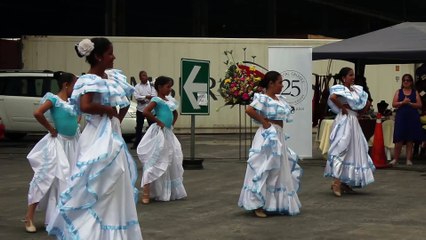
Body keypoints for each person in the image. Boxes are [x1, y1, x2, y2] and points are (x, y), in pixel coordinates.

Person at [46, 38, 142, 239]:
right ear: (98, 56)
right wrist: (108, 110)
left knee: (116, 179)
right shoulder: (87, 80)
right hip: (95, 133)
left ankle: (113, 228)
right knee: (96, 180)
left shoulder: (113, 77)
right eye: (110, 53)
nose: (113, 57)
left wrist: (116, 118)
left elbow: (125, 101)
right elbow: (85, 105)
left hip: (111, 133)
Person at [238, 71, 302, 218]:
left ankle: (274, 203)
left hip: (278, 134)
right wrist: (264, 122)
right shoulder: (263, 98)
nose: (282, 85)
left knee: (278, 169)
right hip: (268, 135)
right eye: (280, 82)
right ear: (271, 83)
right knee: (265, 167)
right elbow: (249, 109)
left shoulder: (280, 99)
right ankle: (258, 204)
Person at [23, 71, 79, 233]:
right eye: (74, 85)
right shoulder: (54, 99)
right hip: (57, 143)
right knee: (45, 177)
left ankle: (61, 216)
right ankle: (29, 216)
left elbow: (77, 117)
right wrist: (51, 129)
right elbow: (37, 113)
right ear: (66, 85)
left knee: (68, 180)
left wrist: (75, 124)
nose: (75, 89)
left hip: (72, 144)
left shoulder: (72, 102)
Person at [325, 67, 375, 197]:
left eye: (353, 75)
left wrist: (361, 111)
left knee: (354, 149)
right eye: (350, 75)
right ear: (343, 78)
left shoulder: (356, 90)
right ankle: (336, 181)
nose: (352, 77)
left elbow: (367, 102)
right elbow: (333, 97)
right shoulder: (340, 88)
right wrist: (343, 108)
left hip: (353, 120)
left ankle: (344, 182)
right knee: (342, 147)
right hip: (345, 120)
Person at [137, 76, 187, 204]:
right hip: (158, 133)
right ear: (159, 87)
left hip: (167, 132)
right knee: (156, 158)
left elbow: (175, 113)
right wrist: (158, 122)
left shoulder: (169, 100)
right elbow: (146, 112)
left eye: (170, 86)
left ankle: (167, 190)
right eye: (167, 86)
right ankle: (146, 192)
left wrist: (171, 124)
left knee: (171, 158)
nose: (170, 89)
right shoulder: (156, 99)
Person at [390, 73, 423, 166]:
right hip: (401, 117)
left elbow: (420, 105)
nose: (406, 82)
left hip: (412, 117)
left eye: (408, 80)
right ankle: (395, 159)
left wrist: (411, 104)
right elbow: (394, 104)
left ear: (411, 82)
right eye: (404, 80)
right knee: (399, 139)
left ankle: (409, 159)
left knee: (410, 139)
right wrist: (403, 102)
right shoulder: (398, 92)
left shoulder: (415, 92)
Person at [131, 70, 157, 149]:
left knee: (152, 127)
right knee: (139, 127)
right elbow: (136, 97)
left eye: (145, 75)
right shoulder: (137, 86)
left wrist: (143, 98)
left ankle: (154, 143)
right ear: (140, 77)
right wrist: (146, 97)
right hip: (140, 110)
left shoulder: (151, 86)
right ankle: (137, 144)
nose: (145, 77)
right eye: (143, 75)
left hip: (150, 110)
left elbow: (154, 96)